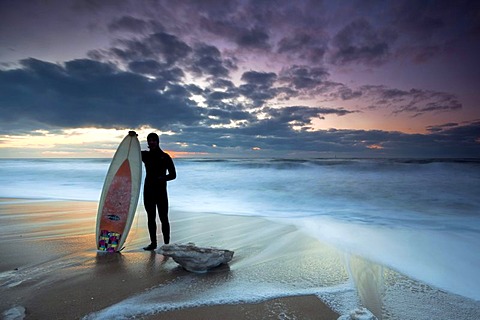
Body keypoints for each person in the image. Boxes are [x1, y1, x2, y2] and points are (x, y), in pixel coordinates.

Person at [141, 132, 176, 250]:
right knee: (151, 218)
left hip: (161, 191)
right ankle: (153, 243)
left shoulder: (165, 157)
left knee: (163, 218)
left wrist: (162, 178)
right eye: (149, 140)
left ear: (157, 142)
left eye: (153, 140)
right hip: (148, 191)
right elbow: (131, 152)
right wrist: (132, 138)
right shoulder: (145, 155)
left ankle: (166, 244)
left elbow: (173, 175)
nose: (151, 142)